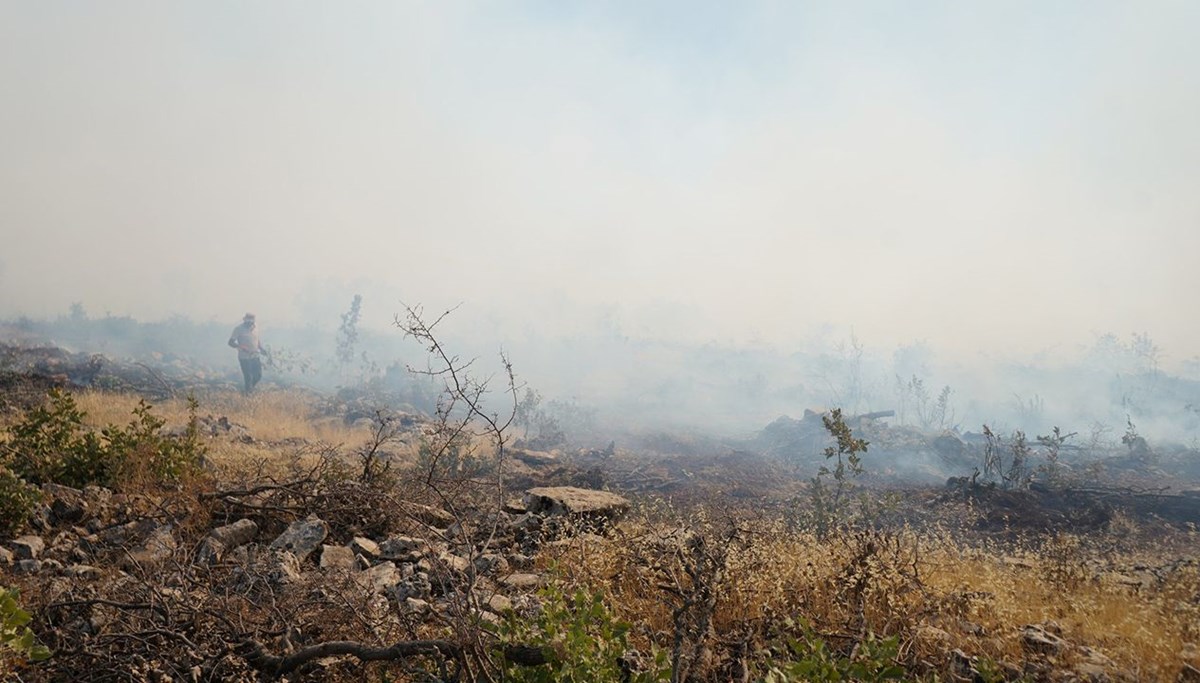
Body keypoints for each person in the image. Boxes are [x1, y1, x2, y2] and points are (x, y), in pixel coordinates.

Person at [228, 313, 264, 393]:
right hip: (244, 357)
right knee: (248, 377)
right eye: (248, 320)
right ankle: (248, 393)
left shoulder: (256, 327)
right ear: (244, 320)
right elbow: (230, 342)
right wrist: (241, 347)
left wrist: (261, 348)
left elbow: (257, 339)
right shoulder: (238, 329)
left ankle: (248, 389)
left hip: (255, 355)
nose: (250, 323)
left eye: (251, 321)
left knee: (258, 375)